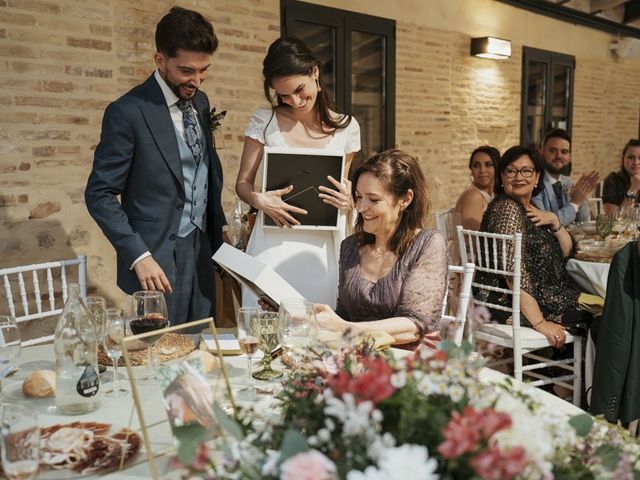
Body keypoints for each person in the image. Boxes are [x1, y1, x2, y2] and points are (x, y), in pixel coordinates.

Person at [85, 7, 225, 325]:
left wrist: (219, 229)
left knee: (202, 348)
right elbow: (100, 193)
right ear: (159, 60)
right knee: (158, 357)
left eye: (204, 70)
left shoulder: (200, 103)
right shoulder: (128, 112)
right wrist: (138, 255)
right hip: (156, 260)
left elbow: (202, 171)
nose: (197, 80)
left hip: (202, 249)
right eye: (187, 70)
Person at [235, 37, 361, 307]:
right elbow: (243, 183)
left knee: (319, 332)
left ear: (315, 73)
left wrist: (349, 201)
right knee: (265, 331)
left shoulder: (347, 128)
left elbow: (346, 191)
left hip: (322, 252)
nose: (294, 100)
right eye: (283, 95)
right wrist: (258, 199)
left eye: (299, 89)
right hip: (271, 245)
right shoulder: (263, 120)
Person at [313, 150, 448, 348]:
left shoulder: (428, 244)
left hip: (408, 362)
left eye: (373, 200)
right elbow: (345, 313)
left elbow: (414, 325)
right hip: (357, 353)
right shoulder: (350, 246)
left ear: (405, 199)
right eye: (358, 197)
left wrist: (346, 329)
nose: (360, 207)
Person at [476, 145, 591, 348]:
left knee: (606, 307)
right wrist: (539, 322)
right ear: (502, 177)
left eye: (526, 171)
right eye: (511, 171)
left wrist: (555, 222)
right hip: (506, 303)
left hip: (540, 296)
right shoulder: (507, 209)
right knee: (604, 315)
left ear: (537, 177)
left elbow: (565, 252)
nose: (519, 177)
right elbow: (513, 273)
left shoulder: (531, 208)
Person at [532, 129, 599, 226]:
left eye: (564, 152)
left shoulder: (568, 182)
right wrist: (574, 204)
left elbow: (584, 224)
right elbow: (545, 225)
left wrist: (581, 197)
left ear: (569, 157)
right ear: (541, 153)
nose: (559, 156)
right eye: (552, 151)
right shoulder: (534, 183)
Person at [454, 146, 499, 230]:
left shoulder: (493, 194)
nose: (482, 170)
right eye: (476, 165)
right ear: (471, 169)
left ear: (497, 167)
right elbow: (474, 239)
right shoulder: (473, 196)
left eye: (488, 165)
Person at [602, 139, 640, 214]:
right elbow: (613, 217)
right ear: (623, 159)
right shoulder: (613, 180)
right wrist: (633, 190)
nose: (636, 162)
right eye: (630, 157)